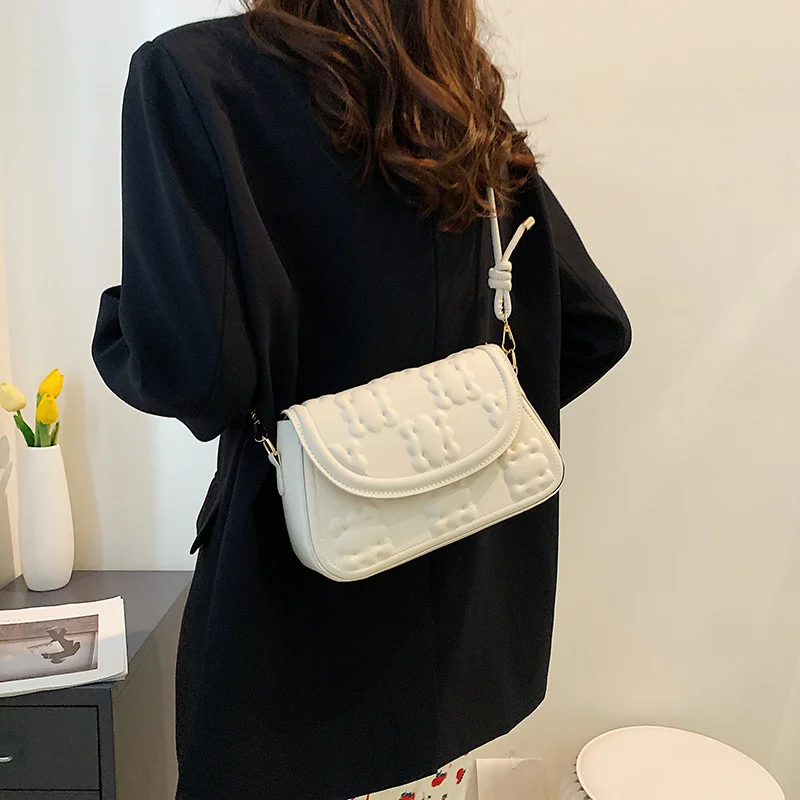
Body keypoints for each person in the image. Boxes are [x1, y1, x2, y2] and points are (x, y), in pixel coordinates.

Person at [92, 1, 631, 797]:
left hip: (289, 649)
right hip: (453, 656)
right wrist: (463, 435)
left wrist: (118, 327)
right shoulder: (456, 96)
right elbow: (590, 326)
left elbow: (196, 373)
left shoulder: (192, 76)